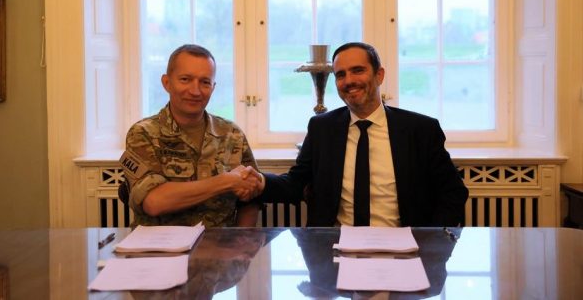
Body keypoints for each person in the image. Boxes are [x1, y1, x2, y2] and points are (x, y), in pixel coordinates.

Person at [255, 42, 468, 227]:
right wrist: (260, 182)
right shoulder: (322, 128)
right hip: (335, 248)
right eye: (341, 75)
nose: (348, 81)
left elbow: (454, 192)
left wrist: (431, 241)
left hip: (403, 248)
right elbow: (295, 184)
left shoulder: (420, 130)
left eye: (357, 70)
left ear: (379, 75)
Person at [120, 44, 262, 228]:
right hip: (161, 244)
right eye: (185, 79)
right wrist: (226, 181)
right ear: (166, 82)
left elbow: (251, 196)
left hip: (219, 243)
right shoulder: (142, 134)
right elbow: (154, 202)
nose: (195, 91)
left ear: (213, 87)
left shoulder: (231, 134)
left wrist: (240, 239)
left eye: (205, 82)